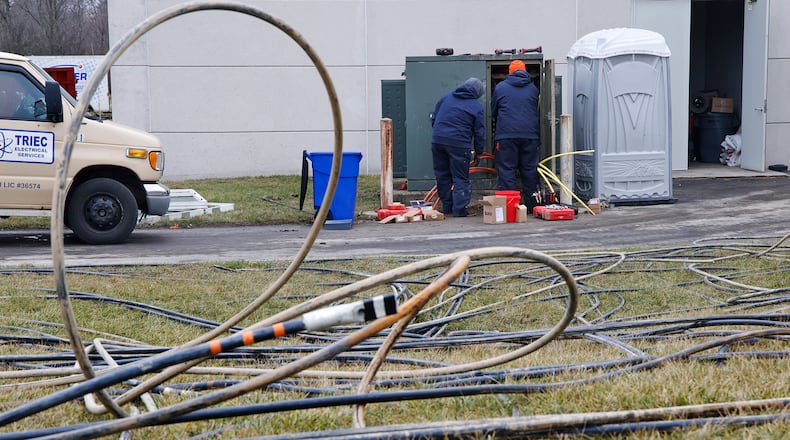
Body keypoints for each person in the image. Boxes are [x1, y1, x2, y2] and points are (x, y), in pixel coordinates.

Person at [430, 77, 485, 217]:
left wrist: (441, 134)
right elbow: (479, 132)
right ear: (477, 93)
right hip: (459, 144)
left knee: (442, 176)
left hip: (438, 141)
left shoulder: (446, 97)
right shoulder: (476, 106)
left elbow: (434, 118)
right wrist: (479, 152)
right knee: (460, 177)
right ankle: (459, 210)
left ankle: (447, 208)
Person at [490, 60, 541, 211]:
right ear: (525, 71)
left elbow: (493, 112)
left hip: (506, 136)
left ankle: (511, 208)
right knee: (529, 170)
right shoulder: (533, 88)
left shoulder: (500, 88)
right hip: (530, 136)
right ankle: (532, 207)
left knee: (507, 170)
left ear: (510, 72)